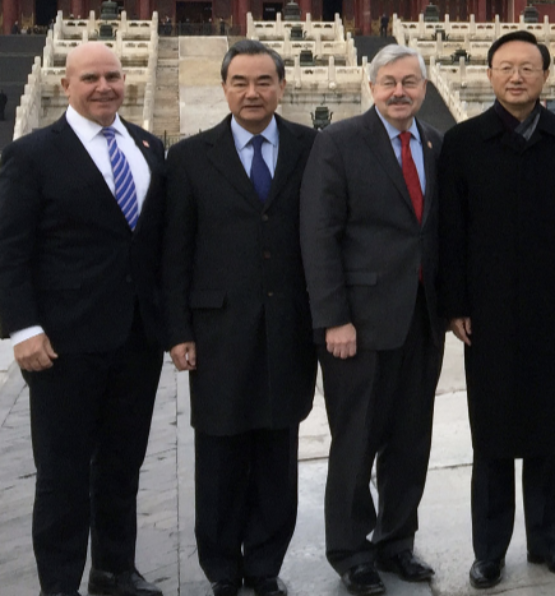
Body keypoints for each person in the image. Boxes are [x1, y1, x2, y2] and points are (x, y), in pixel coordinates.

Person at [0, 42, 167, 596]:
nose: (104, 87)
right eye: (90, 77)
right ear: (64, 84)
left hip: (135, 338)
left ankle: (114, 570)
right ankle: (58, 584)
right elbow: (9, 248)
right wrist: (22, 328)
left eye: (113, 77)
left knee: (122, 467)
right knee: (63, 476)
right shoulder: (33, 154)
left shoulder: (147, 146)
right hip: (63, 343)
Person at [437, 31, 555, 589]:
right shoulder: (462, 143)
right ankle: (489, 548)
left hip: (552, 305)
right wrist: (454, 303)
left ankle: (547, 539)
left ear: (544, 77)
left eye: (527, 68)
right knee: (494, 431)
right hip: (487, 309)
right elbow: (449, 232)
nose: (516, 77)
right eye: (505, 67)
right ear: (489, 75)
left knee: (548, 427)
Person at [163, 40, 318, 596]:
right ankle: (223, 568)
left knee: (278, 453)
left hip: (290, 328)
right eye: (240, 83)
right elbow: (174, 252)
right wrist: (177, 330)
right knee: (222, 455)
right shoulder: (188, 157)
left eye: (263, 82)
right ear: (223, 87)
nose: (252, 94)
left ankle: (266, 566)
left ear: (281, 86)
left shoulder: (310, 147)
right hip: (217, 331)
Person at [300, 44, 445, 596]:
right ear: (371, 86)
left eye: (409, 82)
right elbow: (319, 235)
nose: (399, 91)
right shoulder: (338, 143)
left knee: (411, 440)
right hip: (357, 326)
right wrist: (333, 317)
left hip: (421, 320)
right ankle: (352, 552)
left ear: (424, 89)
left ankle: (397, 542)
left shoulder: (435, 143)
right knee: (356, 442)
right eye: (389, 82)